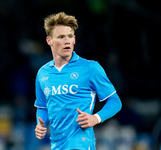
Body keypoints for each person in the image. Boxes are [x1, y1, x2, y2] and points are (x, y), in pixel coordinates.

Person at [34, 12, 122, 150]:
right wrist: (41, 124)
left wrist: (96, 118)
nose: (67, 41)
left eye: (70, 36)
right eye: (61, 37)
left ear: (74, 39)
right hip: (56, 146)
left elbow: (115, 101)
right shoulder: (42, 73)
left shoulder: (90, 68)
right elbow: (42, 107)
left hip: (81, 144)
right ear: (49, 40)